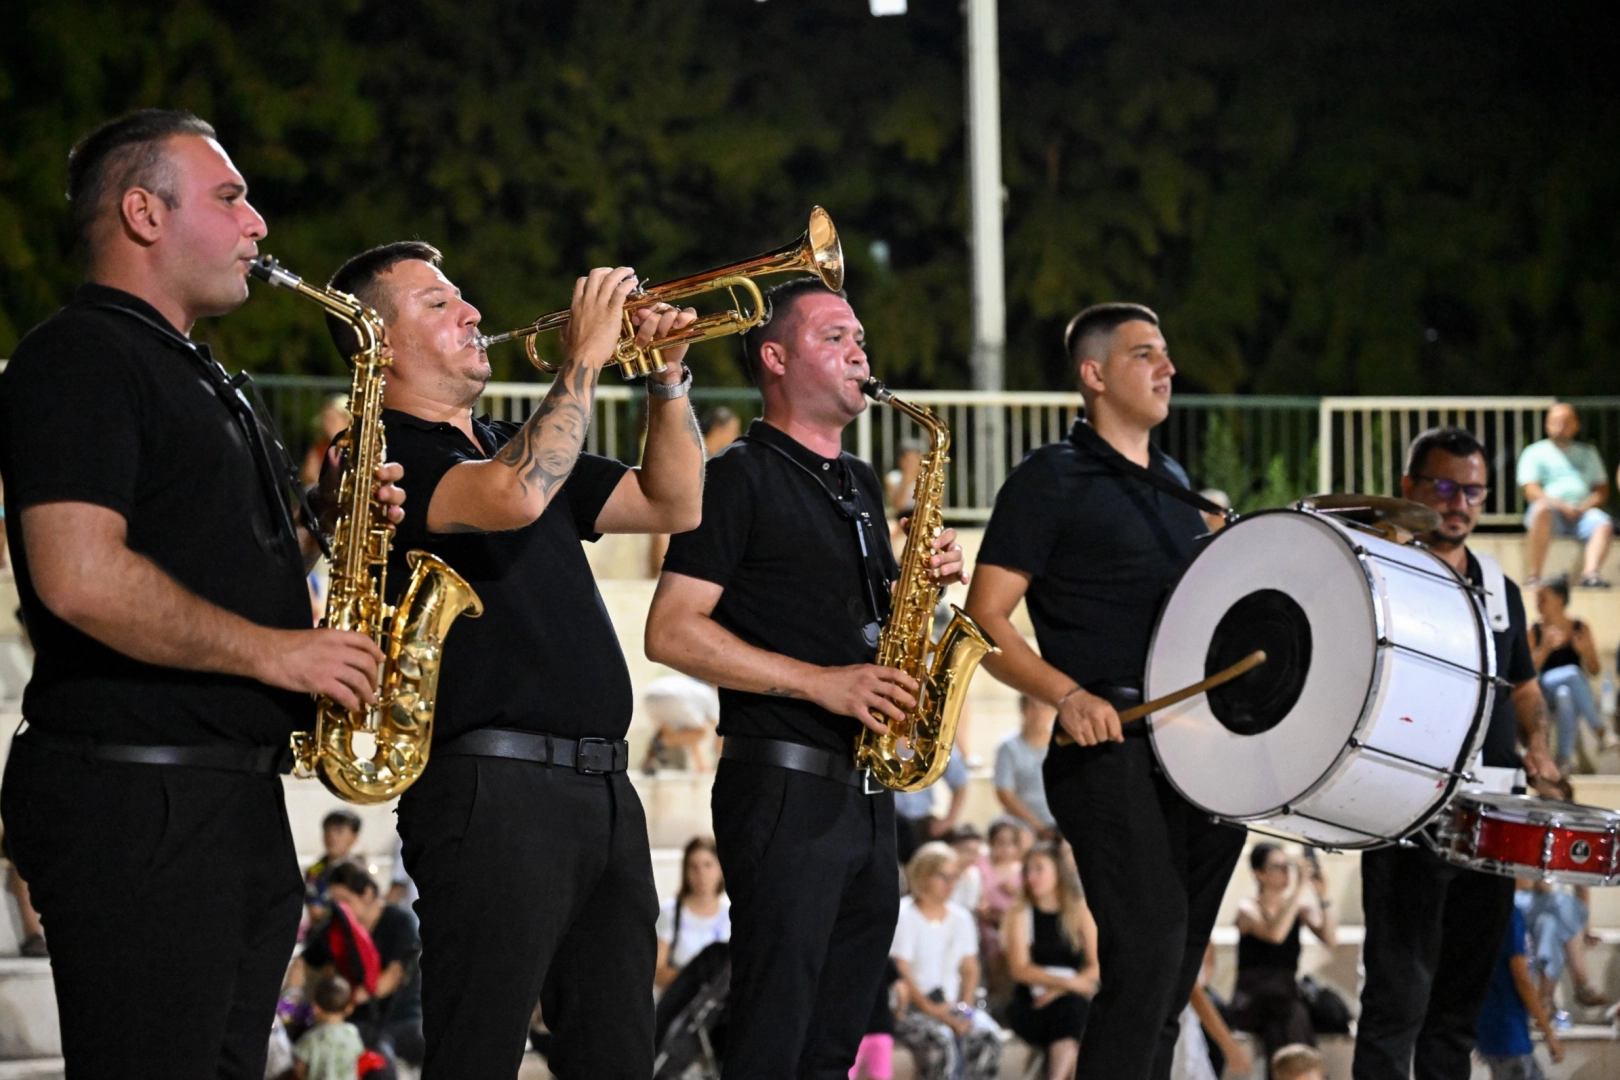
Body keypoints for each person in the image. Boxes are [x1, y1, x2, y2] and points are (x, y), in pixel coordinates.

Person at [0, 109, 402, 1079]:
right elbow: (79, 575)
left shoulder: (200, 374)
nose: (258, 224)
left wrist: (324, 515)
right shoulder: (82, 355)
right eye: (230, 197)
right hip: (139, 800)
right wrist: (277, 653)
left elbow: (211, 556)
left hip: (217, 799)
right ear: (143, 212)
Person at [327, 239, 705, 1080]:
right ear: (378, 345)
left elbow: (672, 500)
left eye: (462, 297)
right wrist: (583, 359)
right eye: (439, 304)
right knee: (478, 1054)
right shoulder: (377, 453)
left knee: (616, 1056)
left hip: (601, 788)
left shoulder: (507, 434)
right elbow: (514, 493)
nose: (472, 314)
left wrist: (667, 378)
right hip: (489, 790)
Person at [646, 275, 965, 1079]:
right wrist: (822, 683)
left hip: (865, 798)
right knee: (771, 1038)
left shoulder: (858, 485)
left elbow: (866, 637)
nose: (859, 351)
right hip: (783, 788)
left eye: (859, 337)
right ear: (776, 358)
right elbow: (671, 630)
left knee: (833, 1045)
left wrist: (924, 589)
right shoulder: (737, 475)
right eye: (834, 337)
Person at [965, 302, 1247, 1079]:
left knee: (1173, 972)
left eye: (1166, 352)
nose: (1168, 367)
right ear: (1093, 375)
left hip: (1196, 746)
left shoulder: (1180, 486)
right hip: (1108, 743)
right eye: (1144, 353)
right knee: (1150, 949)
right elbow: (984, 623)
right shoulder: (1050, 478)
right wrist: (1067, 695)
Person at [1353, 426, 1560, 1080]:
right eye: (1444, 487)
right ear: (1409, 489)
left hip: (1494, 810)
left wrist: (1540, 742)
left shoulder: (1500, 586)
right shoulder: (1382, 574)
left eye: (1473, 490)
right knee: (1397, 997)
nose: (1459, 503)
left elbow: (1524, 686)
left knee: (1458, 1007)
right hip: (1408, 811)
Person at [890, 842, 1002, 1080]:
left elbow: (970, 968)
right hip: (913, 1008)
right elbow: (901, 970)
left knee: (987, 1036)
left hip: (951, 1004)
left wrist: (965, 1009)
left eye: (955, 877)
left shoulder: (961, 918)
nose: (951, 884)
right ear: (924, 875)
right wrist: (934, 1011)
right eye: (944, 876)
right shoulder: (904, 915)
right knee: (941, 1043)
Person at [1230, 845, 1337, 1076]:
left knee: (1290, 1011)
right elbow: (1275, 935)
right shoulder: (1248, 908)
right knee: (1289, 1011)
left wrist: (1323, 895)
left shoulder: (1298, 909)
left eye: (1287, 866)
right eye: (1278, 867)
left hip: (1284, 995)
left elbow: (1330, 938)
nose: (1286, 873)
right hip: (1254, 997)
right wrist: (1299, 889)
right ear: (1259, 873)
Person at [1002, 842, 1099, 1080]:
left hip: (1064, 998)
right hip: (1033, 1003)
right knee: (1075, 1016)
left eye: (1039, 869)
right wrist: (1070, 985)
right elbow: (1020, 970)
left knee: (1076, 1013)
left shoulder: (1079, 910)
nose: (1031, 877)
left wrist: (1059, 989)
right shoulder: (1020, 913)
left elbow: (1096, 965)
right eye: (1027, 870)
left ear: (1058, 871)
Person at [1518, 403, 1613, 588]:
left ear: (1576, 425)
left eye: (1566, 421)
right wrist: (1561, 505)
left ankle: (1591, 575)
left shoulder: (1588, 453)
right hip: (1550, 511)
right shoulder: (1534, 452)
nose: (1561, 426)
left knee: (1604, 522)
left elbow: (1602, 489)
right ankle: (1534, 576)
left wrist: (1585, 506)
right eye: (1556, 421)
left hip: (1583, 512)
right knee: (1542, 509)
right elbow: (1531, 490)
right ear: (1547, 425)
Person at [1530, 575, 1614, 767]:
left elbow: (1594, 671)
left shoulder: (1579, 628)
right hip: (1543, 689)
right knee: (1573, 673)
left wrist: (1585, 652)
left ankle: (1564, 759)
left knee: (1565, 695)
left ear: (1560, 599)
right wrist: (1545, 649)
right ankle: (1600, 730)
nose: (1539, 603)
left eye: (1544, 597)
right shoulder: (1534, 630)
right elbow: (1527, 673)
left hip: (1567, 692)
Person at [1476, 903, 1563, 1080]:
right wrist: (1549, 1034)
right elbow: (1522, 978)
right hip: (1508, 1031)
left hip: (1491, 1028)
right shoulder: (1510, 915)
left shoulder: (1481, 911)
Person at [655, 836, 732, 989]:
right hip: (680, 1004)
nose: (701, 874)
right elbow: (656, 971)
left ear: (720, 869)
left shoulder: (730, 916)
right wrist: (695, 978)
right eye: (694, 867)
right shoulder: (670, 913)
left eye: (708, 865)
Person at [994, 694, 1059, 838]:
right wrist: (1038, 827)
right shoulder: (1008, 747)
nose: (1038, 715)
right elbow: (1005, 794)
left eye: (1044, 709)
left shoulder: (1061, 745)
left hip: (1059, 821)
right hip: (1022, 824)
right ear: (1022, 710)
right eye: (1033, 708)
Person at [894, 744, 970, 864]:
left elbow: (960, 781)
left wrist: (949, 820)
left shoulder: (931, 740)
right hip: (889, 821)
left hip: (921, 823)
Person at [641, 671, 721, 774]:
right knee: (701, 732)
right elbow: (720, 728)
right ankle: (662, 743)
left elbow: (690, 732)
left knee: (664, 731)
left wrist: (701, 764)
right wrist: (721, 758)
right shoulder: (709, 693)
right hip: (674, 697)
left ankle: (648, 762)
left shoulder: (691, 685)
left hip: (649, 695)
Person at [295, 973, 367, 1080]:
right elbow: (358, 1057)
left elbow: (299, 1069)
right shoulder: (352, 1032)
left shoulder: (310, 1038)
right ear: (349, 1007)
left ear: (316, 1007)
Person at [851, 958, 905, 1080]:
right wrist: (898, 1013)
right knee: (880, 1075)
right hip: (881, 1029)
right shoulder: (885, 959)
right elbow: (902, 991)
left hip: (854, 1029)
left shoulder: (848, 956)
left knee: (843, 1072)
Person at [304, 808, 363, 902]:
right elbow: (315, 910)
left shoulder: (360, 869)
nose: (332, 836)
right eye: (327, 830)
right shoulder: (315, 871)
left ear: (354, 837)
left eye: (339, 831)